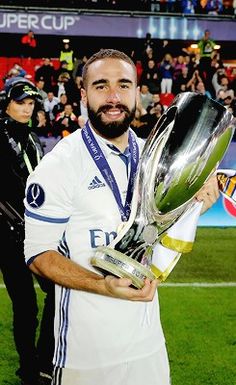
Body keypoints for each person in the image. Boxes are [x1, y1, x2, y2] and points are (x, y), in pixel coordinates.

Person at [24, 49, 220, 385]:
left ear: (137, 92)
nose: (114, 97)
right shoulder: (59, 165)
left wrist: (198, 204)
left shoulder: (154, 157)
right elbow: (39, 256)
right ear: (83, 94)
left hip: (148, 348)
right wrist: (102, 285)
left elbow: (157, 230)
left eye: (123, 85)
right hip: (85, 356)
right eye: (101, 86)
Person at [0, 76, 54, 385]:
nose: (26, 108)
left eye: (31, 103)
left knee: (56, 291)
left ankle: (42, 362)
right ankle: (29, 369)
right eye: (21, 101)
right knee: (26, 304)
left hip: (31, 230)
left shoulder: (33, 140)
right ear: (7, 102)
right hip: (6, 233)